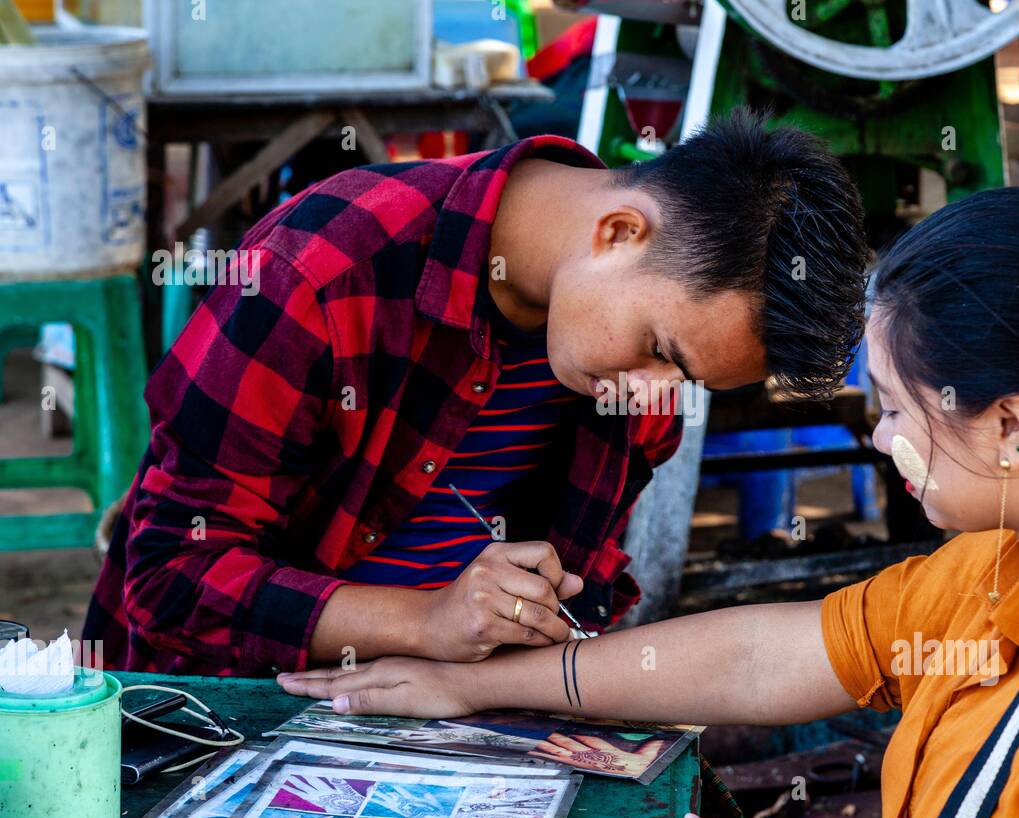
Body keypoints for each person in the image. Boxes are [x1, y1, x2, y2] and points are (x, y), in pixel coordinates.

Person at [280, 187, 1019, 818]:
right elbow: (770, 654)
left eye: (895, 409)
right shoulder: (1016, 561)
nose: (876, 438)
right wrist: (477, 687)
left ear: (1009, 429)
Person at [84, 109, 869, 677]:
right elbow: (169, 579)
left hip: (460, 716)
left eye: (687, 379)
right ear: (620, 232)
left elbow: (580, 588)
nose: (653, 396)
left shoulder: (631, 376)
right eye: (659, 351)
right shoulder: (319, 271)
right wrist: (428, 622)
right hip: (220, 714)